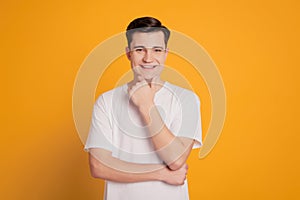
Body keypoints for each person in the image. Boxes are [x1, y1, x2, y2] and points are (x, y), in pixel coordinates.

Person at [85, 16, 202, 200]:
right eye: (140, 50)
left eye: (156, 50)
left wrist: (146, 105)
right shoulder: (106, 101)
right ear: (128, 53)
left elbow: (176, 159)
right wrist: (161, 173)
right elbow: (98, 167)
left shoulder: (187, 99)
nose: (148, 58)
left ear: (165, 53)